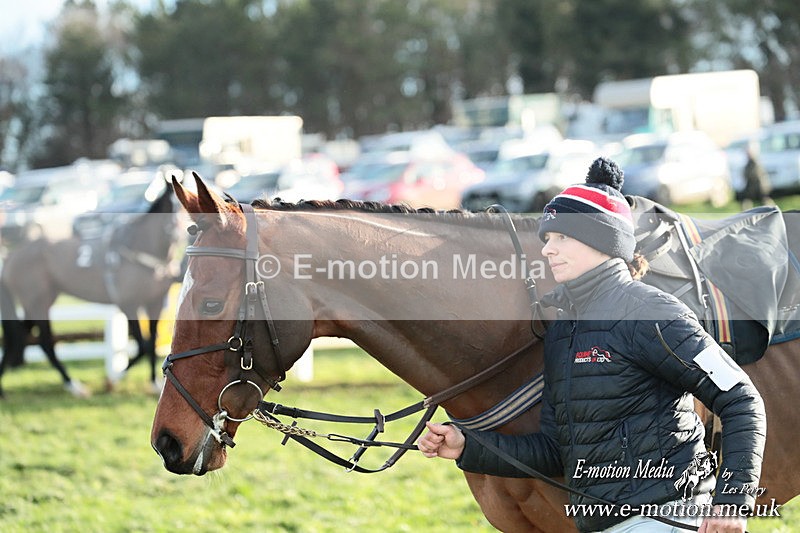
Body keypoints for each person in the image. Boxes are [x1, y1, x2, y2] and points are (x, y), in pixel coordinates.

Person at [418, 157, 766, 533]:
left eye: (562, 237)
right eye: (547, 239)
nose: (548, 250)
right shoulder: (563, 332)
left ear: (602, 240)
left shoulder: (649, 311)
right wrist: (467, 447)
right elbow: (555, 450)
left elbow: (741, 399)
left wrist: (733, 501)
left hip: (667, 518)